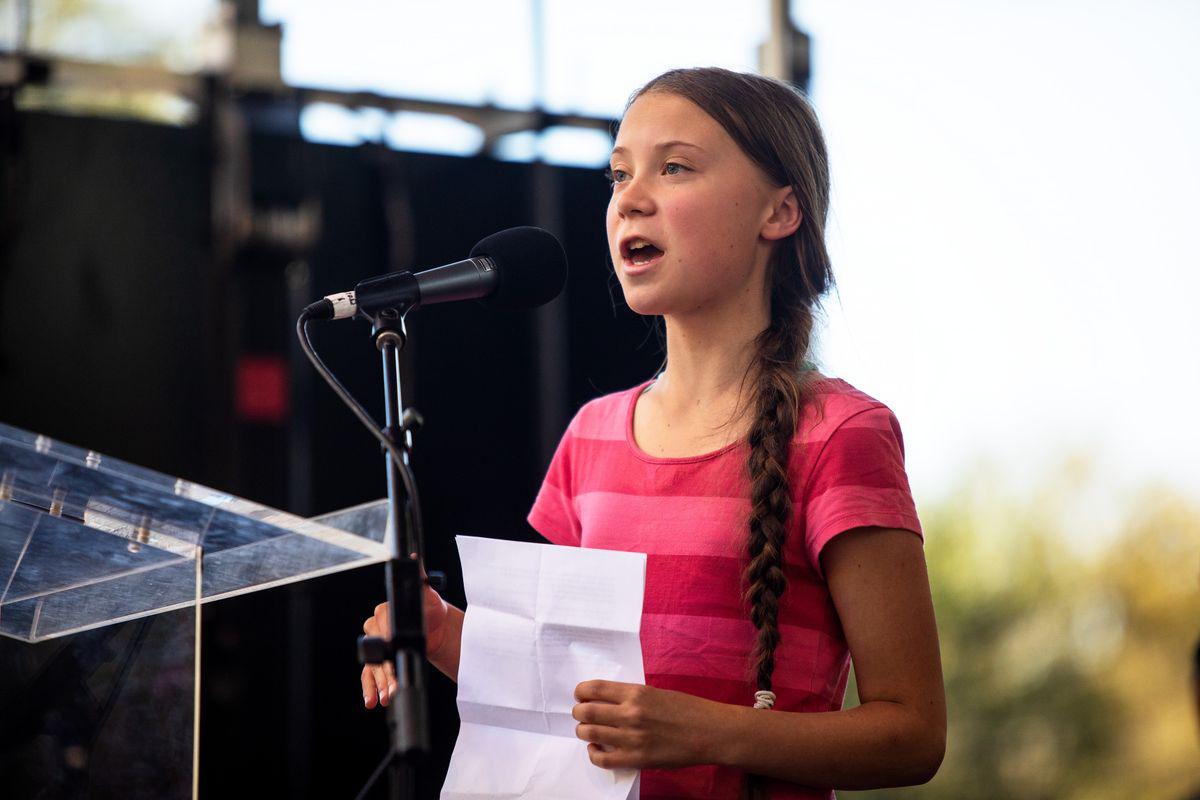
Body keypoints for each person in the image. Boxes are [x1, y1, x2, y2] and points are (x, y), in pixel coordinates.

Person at [362, 66, 946, 799]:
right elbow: (564, 694)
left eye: (674, 168)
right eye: (617, 176)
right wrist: (442, 635)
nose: (629, 199)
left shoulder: (842, 434)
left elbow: (913, 734)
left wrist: (703, 730)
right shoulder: (592, 437)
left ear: (780, 211)